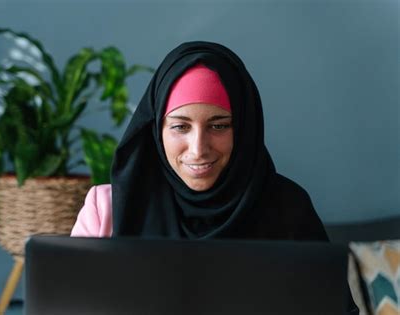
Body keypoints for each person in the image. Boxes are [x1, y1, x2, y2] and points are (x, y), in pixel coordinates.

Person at [71, 41, 358, 314]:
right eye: (181, 127)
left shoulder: (288, 210)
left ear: (243, 128)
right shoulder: (106, 211)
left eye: (219, 126)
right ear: (157, 129)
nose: (198, 149)